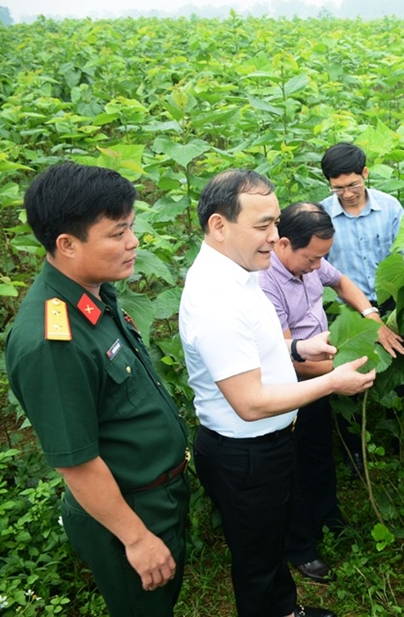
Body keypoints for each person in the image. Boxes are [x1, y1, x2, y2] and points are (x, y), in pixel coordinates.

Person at [179, 170, 376, 617]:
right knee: (256, 560)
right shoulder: (217, 299)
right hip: (246, 452)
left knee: (270, 543)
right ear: (219, 225)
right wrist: (331, 381)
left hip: (267, 444)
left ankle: (286, 610)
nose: (275, 236)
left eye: (275, 225)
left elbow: (253, 352)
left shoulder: (241, 270)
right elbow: (248, 403)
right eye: (264, 225)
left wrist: (296, 347)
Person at [5, 162, 189, 616]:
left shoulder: (93, 293)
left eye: (132, 228)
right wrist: (137, 538)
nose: (133, 243)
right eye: (117, 233)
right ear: (66, 244)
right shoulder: (52, 341)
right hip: (126, 514)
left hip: (155, 498)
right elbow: (77, 462)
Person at [259, 202, 404, 584]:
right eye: (311, 258)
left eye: (322, 257)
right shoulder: (265, 284)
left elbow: (340, 282)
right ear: (285, 243)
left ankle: (328, 515)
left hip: (323, 371)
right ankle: (301, 546)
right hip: (291, 388)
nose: (316, 266)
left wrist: (372, 317)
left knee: (319, 452)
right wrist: (345, 373)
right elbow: (288, 359)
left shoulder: (310, 260)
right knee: (294, 467)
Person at [319, 142, 404, 466]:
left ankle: (401, 439)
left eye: (353, 184)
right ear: (329, 185)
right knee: (349, 375)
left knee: (396, 374)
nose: (348, 193)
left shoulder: (390, 208)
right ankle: (355, 449)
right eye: (339, 188)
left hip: (389, 301)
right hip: (348, 307)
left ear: (365, 173)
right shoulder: (322, 215)